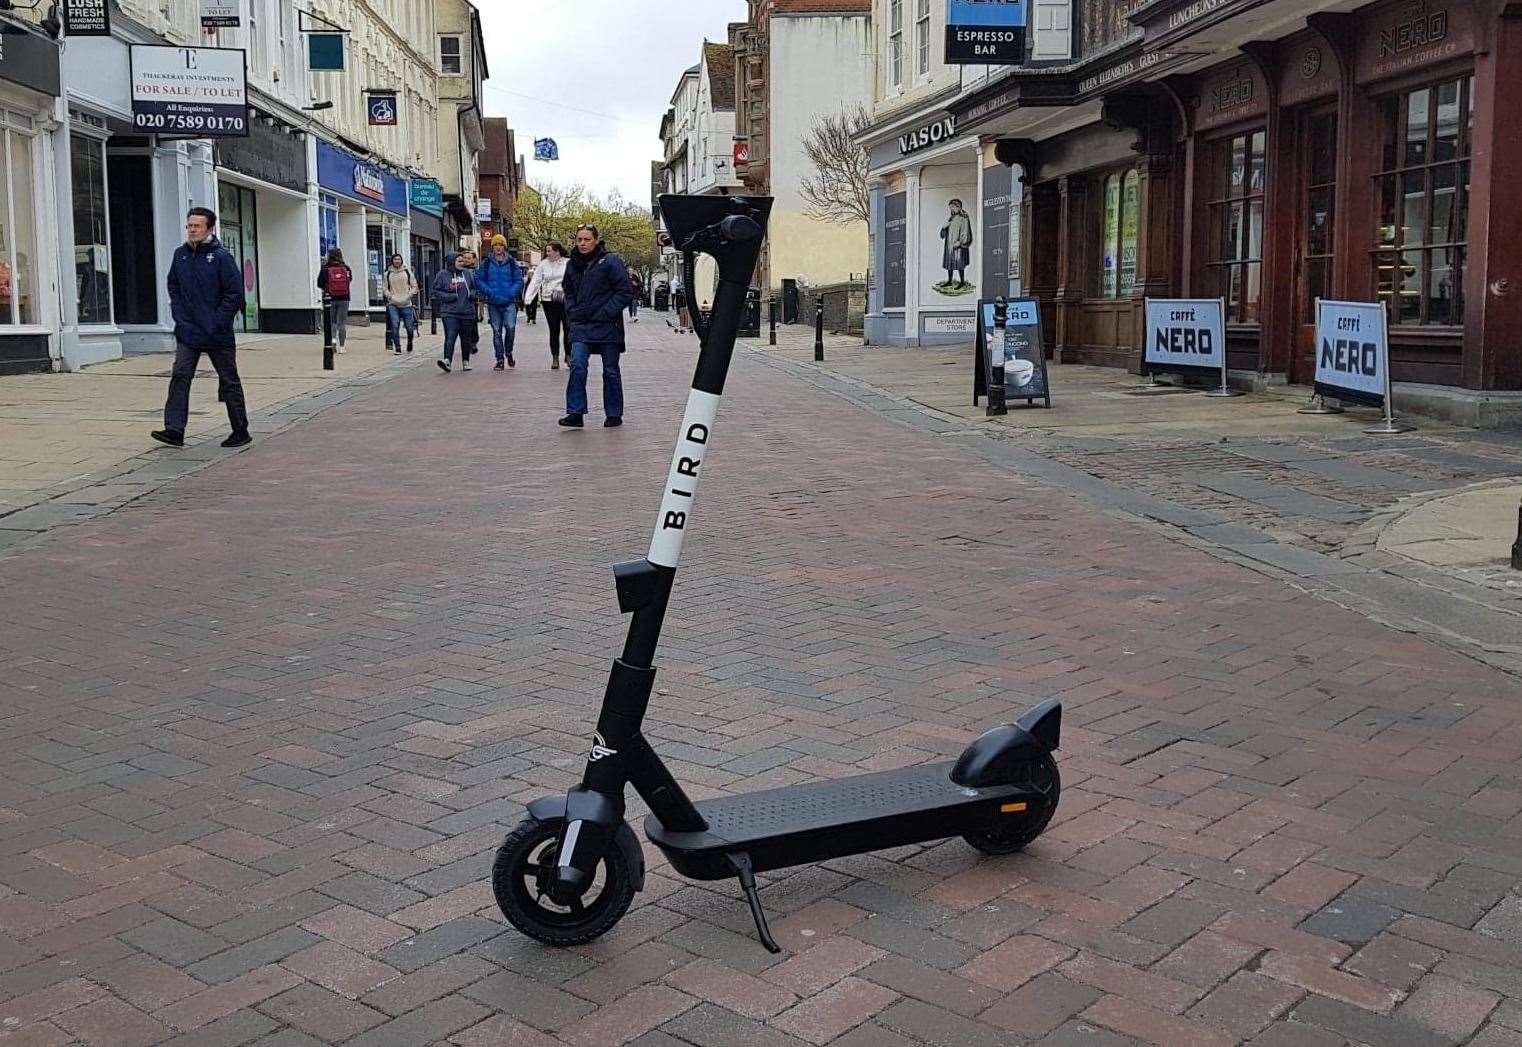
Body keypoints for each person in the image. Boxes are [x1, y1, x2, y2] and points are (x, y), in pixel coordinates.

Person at [152, 207, 249, 449]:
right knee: (180, 375)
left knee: (228, 380)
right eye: (189, 226)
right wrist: (180, 318)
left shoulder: (221, 257)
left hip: (217, 332)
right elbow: (173, 286)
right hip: (189, 331)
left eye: (197, 226)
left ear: (209, 229)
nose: (192, 230)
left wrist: (217, 321)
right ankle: (174, 429)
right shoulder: (180, 255)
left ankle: (240, 430)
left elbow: (234, 294)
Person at [560, 224, 633, 429]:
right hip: (581, 324)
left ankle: (614, 413)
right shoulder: (572, 265)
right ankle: (575, 412)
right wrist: (573, 311)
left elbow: (624, 292)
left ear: (596, 240)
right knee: (578, 365)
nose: (582, 243)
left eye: (586, 239)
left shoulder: (610, 261)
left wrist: (606, 312)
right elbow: (569, 291)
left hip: (608, 325)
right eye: (579, 240)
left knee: (610, 370)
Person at [477, 234, 524, 371]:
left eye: (500, 245)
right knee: (497, 331)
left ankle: (508, 351)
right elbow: (479, 280)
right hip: (493, 302)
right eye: (495, 245)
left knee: (510, 328)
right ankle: (500, 359)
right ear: (492, 247)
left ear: (504, 247)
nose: (498, 247)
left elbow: (518, 280)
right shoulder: (486, 263)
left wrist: (511, 292)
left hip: (509, 301)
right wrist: (489, 292)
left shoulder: (511, 262)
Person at [524, 241, 569, 369]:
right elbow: (536, 281)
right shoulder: (543, 265)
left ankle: (569, 354)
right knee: (554, 329)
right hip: (549, 300)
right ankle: (555, 357)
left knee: (568, 328)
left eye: (549, 251)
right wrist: (528, 298)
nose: (547, 253)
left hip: (565, 299)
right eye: (546, 251)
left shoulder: (568, 263)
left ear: (557, 251)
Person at [432, 252, 479, 372]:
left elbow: (475, 288)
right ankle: (447, 360)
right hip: (449, 312)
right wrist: (449, 296)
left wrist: (472, 294)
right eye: (459, 261)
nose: (462, 263)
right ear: (452, 262)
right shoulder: (442, 275)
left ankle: (466, 361)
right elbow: (436, 291)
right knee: (450, 336)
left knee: (466, 339)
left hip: (467, 312)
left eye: (463, 261)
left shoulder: (468, 274)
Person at [317, 248, 354, 352]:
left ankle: (333, 340)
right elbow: (349, 280)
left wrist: (327, 288)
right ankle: (342, 347)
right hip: (344, 298)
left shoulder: (325, 268)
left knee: (331, 321)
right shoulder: (346, 268)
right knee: (341, 323)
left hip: (330, 298)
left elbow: (319, 283)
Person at [383, 253, 418, 355]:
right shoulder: (388, 274)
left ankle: (410, 341)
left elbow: (414, 286)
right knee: (395, 325)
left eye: (399, 259)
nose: (397, 261)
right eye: (395, 259)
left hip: (406, 304)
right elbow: (385, 288)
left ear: (401, 260)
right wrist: (390, 296)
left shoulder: (407, 272)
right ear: (392, 261)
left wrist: (408, 295)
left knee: (409, 327)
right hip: (393, 304)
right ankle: (398, 347)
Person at [940, 199, 973, 288]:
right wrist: (944, 228)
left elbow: (966, 232)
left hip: (959, 246)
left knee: (959, 264)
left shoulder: (964, 218)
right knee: (949, 264)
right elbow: (943, 234)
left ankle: (962, 281)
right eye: (950, 208)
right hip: (949, 246)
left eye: (953, 207)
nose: (951, 210)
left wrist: (960, 242)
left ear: (958, 207)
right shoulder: (951, 219)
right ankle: (949, 281)